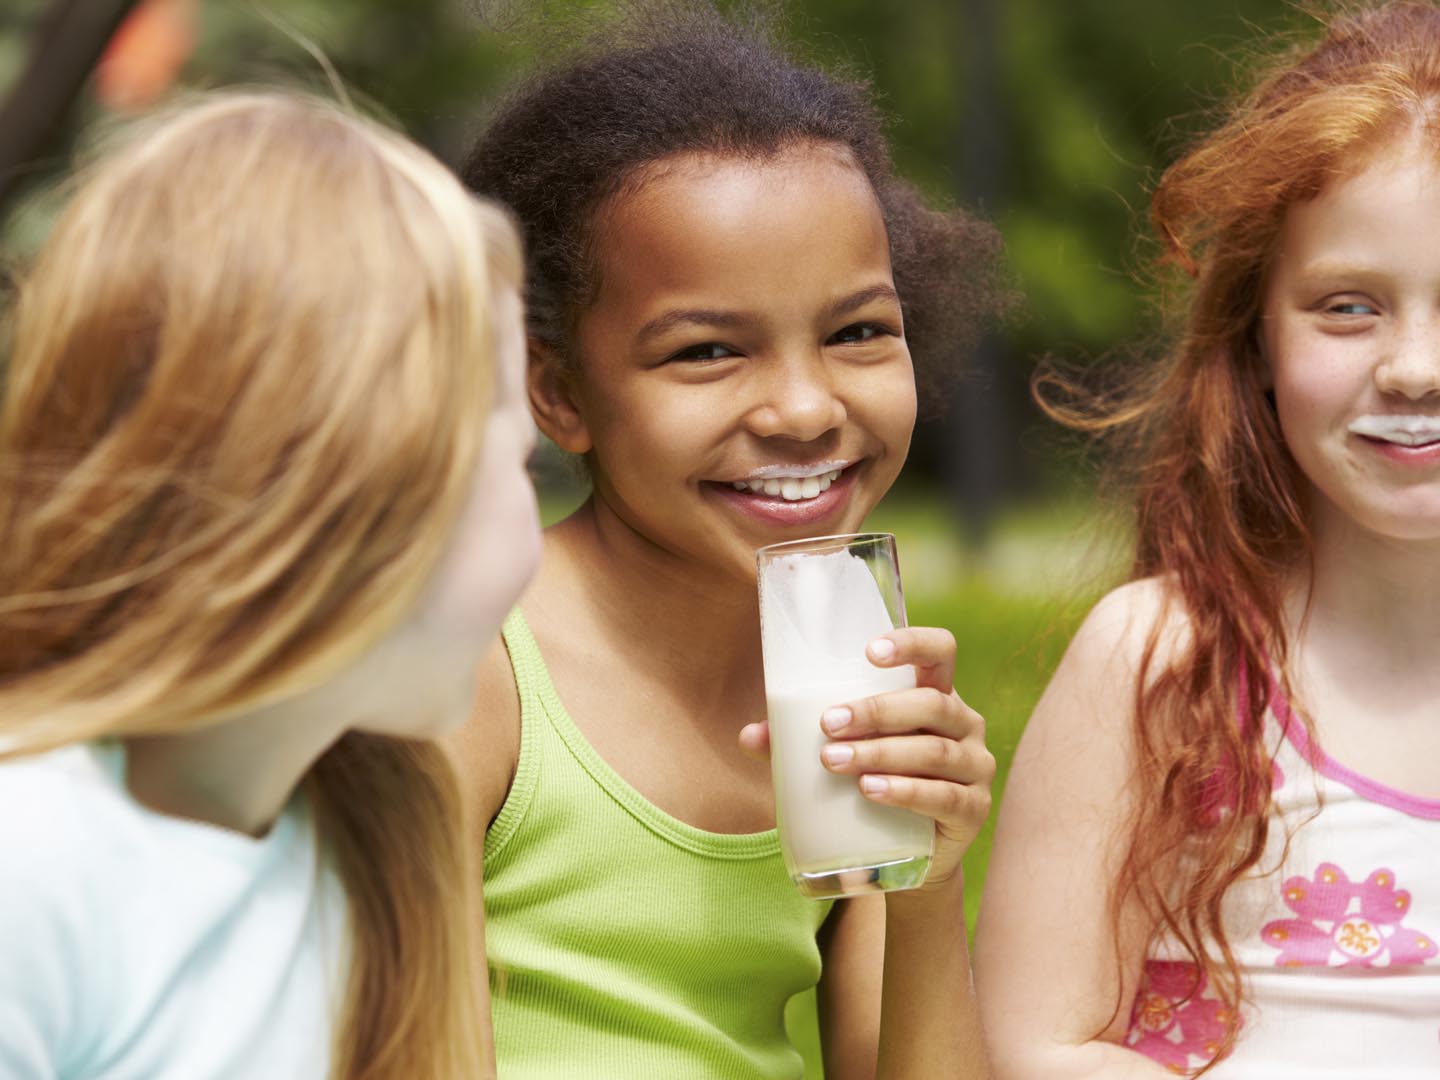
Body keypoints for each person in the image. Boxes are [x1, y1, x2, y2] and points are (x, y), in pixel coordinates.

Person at [444, 5, 1005, 1077]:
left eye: (856, 334)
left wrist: (929, 882)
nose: (802, 408)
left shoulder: (847, 659)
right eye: (707, 351)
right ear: (557, 392)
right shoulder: (476, 670)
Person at [0, 91, 540, 1080]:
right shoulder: (28, 865)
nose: (538, 533)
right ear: (365, 473)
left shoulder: (371, 836)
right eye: (521, 461)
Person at [976, 3, 1440, 1076]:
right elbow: (1035, 1045)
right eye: (1347, 307)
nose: (1414, 368)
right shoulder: (1164, 662)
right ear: (1258, 339)